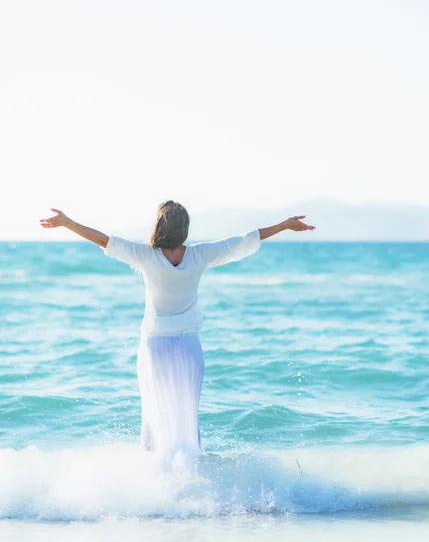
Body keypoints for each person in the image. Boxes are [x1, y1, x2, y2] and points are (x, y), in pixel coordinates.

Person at [40, 201, 315, 471]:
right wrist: (283, 226)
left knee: (155, 413)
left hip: (155, 346)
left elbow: (104, 241)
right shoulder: (199, 255)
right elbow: (244, 241)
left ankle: (157, 481)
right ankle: (190, 476)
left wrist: (67, 223)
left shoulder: (146, 256)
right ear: (184, 229)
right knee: (186, 416)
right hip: (188, 347)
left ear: (159, 226)